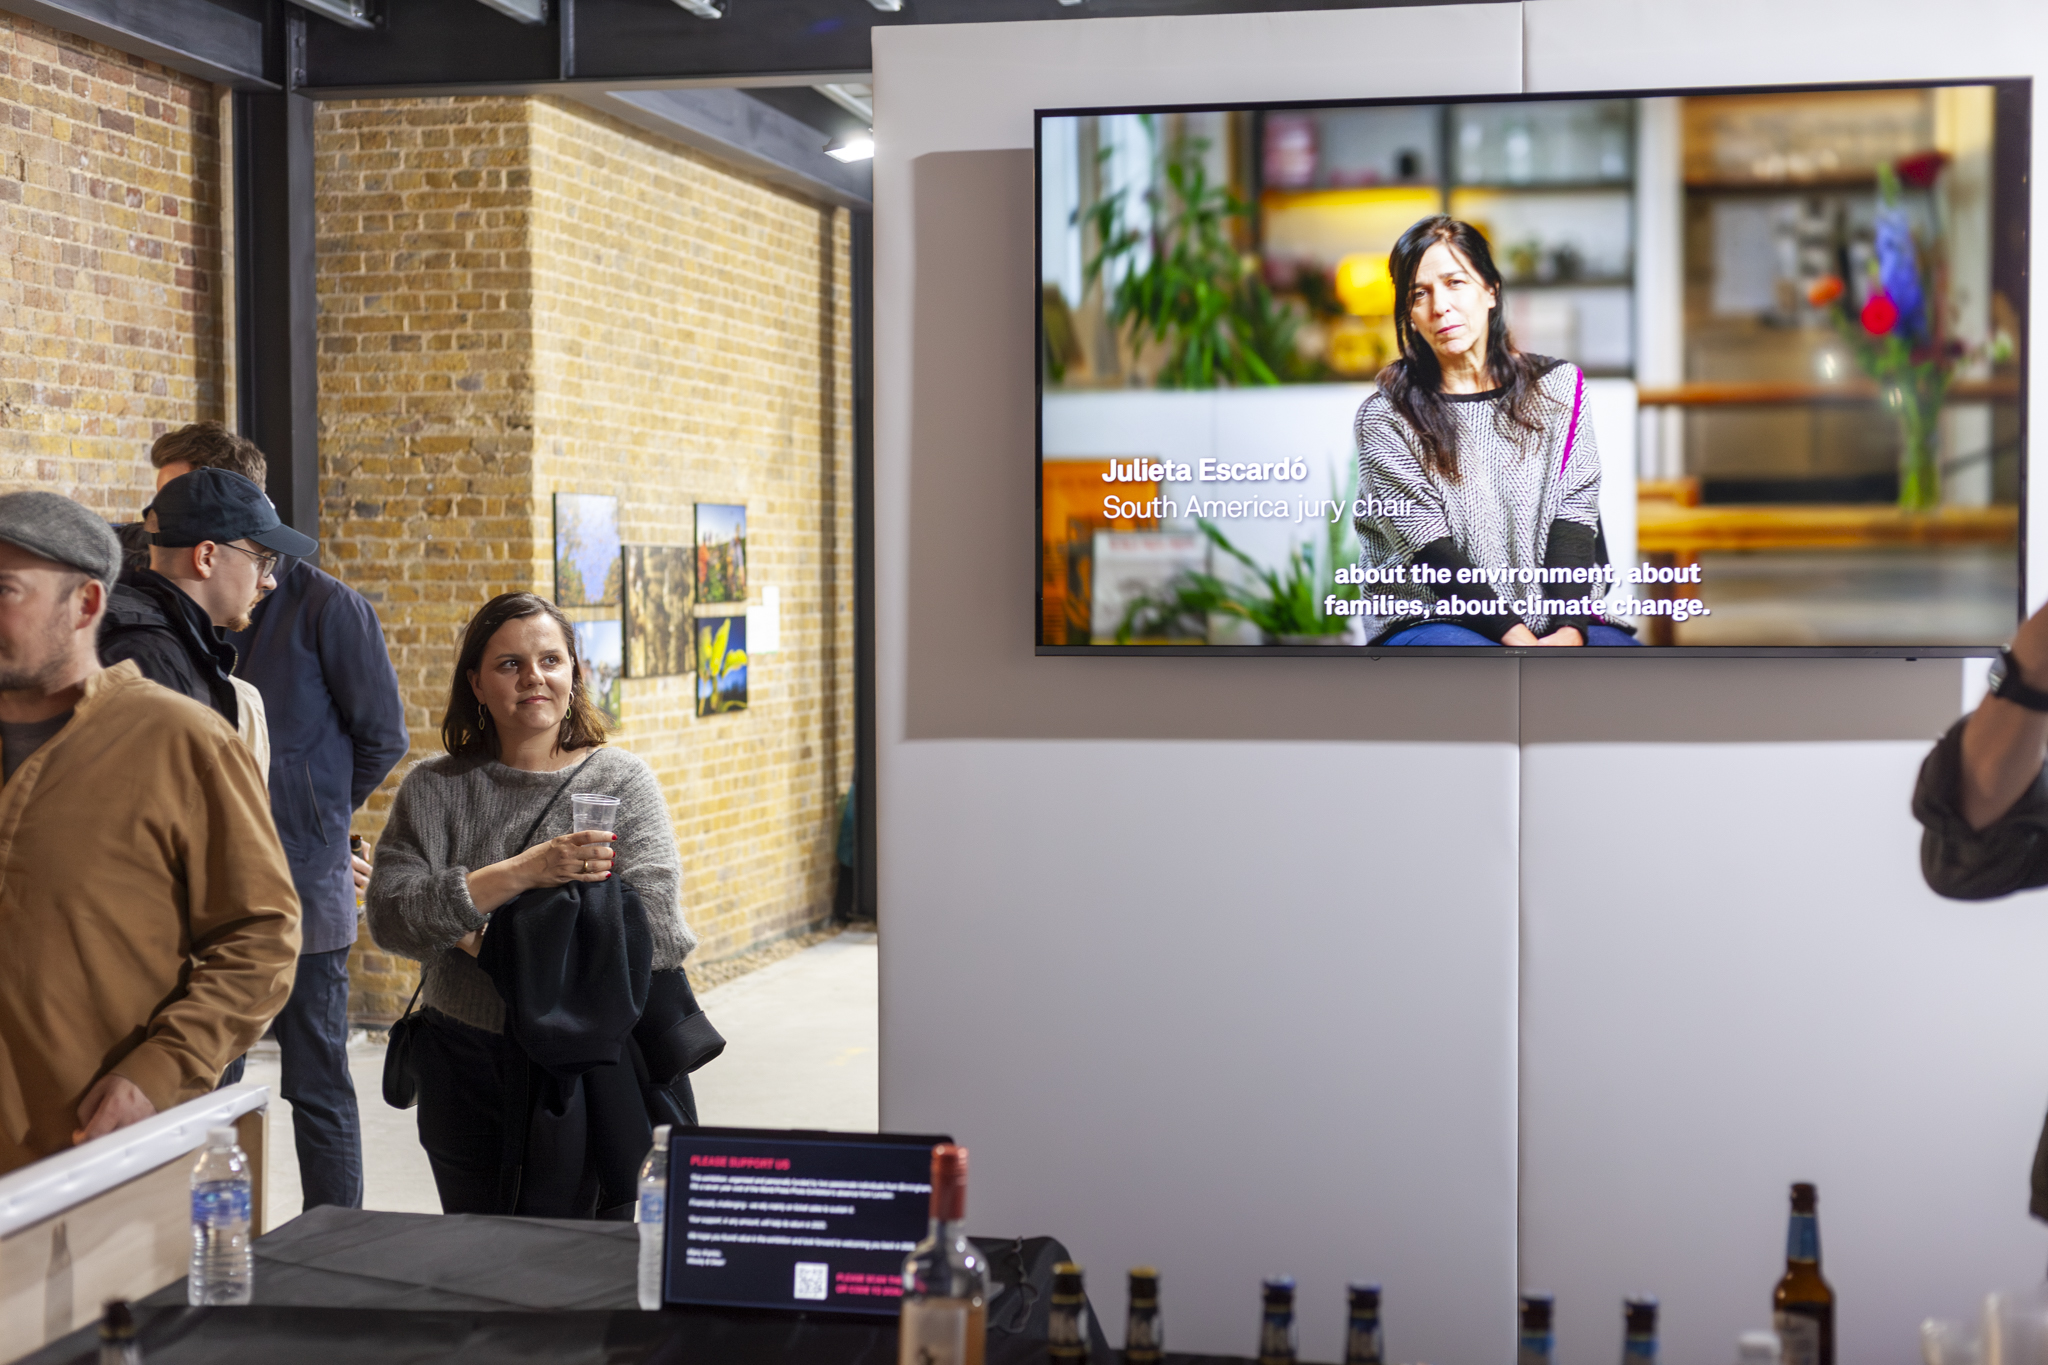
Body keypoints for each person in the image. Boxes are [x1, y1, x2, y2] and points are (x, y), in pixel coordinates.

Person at [366, 591, 696, 1215]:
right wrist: (526, 872)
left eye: (550, 660)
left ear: (575, 672)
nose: (533, 678)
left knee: (585, 1251)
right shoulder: (434, 789)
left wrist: (476, 933)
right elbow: (391, 916)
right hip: (463, 1064)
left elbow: (656, 934)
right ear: (476, 683)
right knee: (479, 1245)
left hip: (590, 1068)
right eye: (509, 664)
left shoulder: (620, 782)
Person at [0, 492, 300, 1175]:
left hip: (90, 1162)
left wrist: (160, 1071)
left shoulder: (182, 742)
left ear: (84, 605)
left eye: (5, 590)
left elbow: (259, 936)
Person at [229, 518, 408, 1215]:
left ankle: (337, 1243)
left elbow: (384, 736)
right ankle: (206, 1249)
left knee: (317, 1082)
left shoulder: (330, 607)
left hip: (304, 884)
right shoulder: (179, 609)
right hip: (212, 893)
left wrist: (316, 815)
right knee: (208, 1082)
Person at [1352, 216, 1641, 648]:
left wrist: (1569, 630)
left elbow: (1573, 518)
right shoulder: (1385, 417)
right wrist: (1520, 642)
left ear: (1490, 290)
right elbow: (1430, 552)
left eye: (1455, 283)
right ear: (1409, 315)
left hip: (1551, 615)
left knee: (1629, 664)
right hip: (1431, 617)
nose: (1440, 306)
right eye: (1419, 294)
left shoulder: (1558, 388)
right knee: (1486, 673)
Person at [99, 469, 316, 774]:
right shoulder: (156, 666)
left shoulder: (149, 640)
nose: (270, 582)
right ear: (205, 558)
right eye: (263, 561)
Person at [114, 422, 269, 575]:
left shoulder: (275, 580)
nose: (159, 513)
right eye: (161, 499)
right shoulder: (141, 542)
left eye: (174, 501)